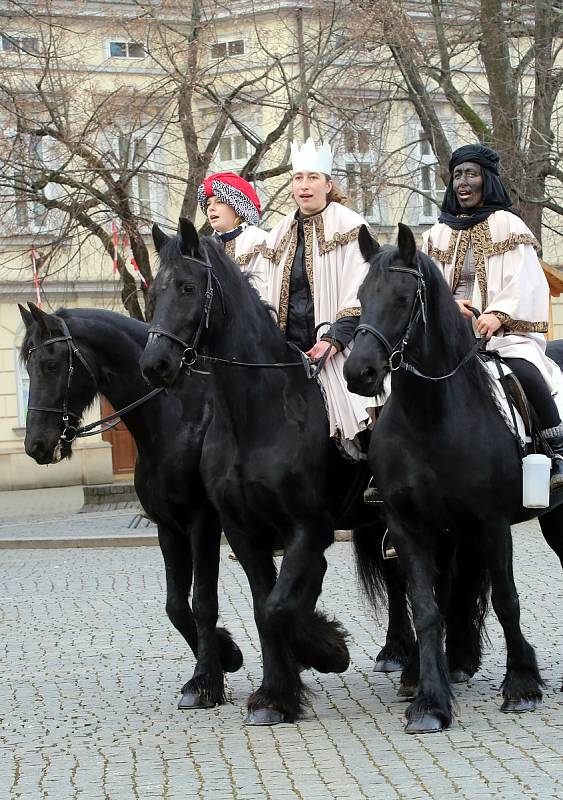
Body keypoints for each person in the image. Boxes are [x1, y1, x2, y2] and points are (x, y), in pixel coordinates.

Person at [423, 144, 563, 491]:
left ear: (486, 179)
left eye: (471, 174)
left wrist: (499, 314)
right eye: (457, 175)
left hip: (503, 336)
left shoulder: (508, 224)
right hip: (449, 339)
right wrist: (446, 306)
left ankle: (558, 452)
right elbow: (425, 284)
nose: (463, 182)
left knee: (528, 372)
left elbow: (526, 281)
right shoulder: (436, 233)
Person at [255, 138, 374, 459]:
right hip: (287, 349)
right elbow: (264, 292)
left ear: (328, 184)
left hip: (341, 344)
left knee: (368, 402)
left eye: (312, 178)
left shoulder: (351, 226)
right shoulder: (278, 233)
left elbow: (360, 289)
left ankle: (377, 472)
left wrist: (333, 340)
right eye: (298, 178)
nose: (304, 186)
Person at [197, 171, 268, 297]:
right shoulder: (204, 248)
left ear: (238, 207)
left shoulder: (259, 240)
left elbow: (265, 293)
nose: (211, 208)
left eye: (219, 202)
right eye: (208, 204)